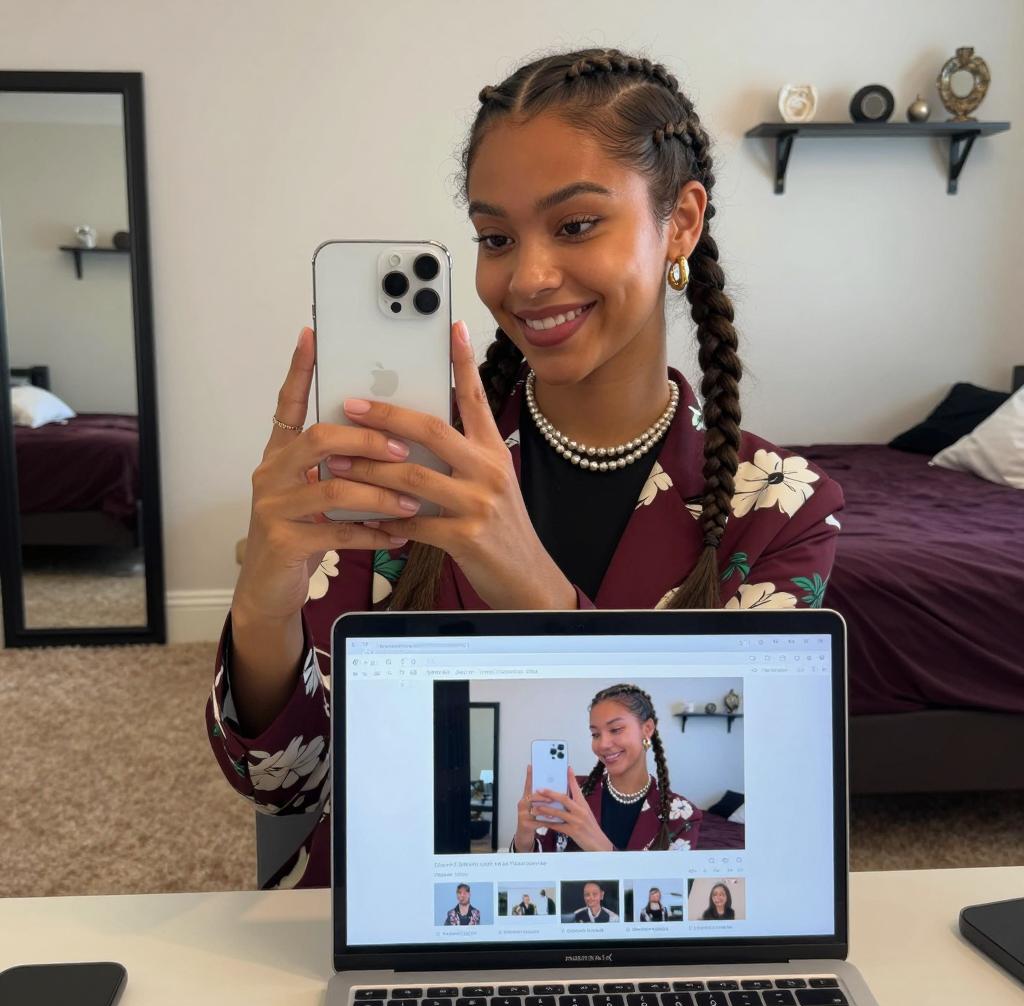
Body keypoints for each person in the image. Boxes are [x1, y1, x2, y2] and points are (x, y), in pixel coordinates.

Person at [207, 46, 843, 890]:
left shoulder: (780, 507)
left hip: (648, 938)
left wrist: (528, 583)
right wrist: (262, 604)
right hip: (392, 918)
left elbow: (740, 838)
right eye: (496, 238)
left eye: (576, 225)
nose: (528, 278)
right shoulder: (405, 466)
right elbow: (286, 783)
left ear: (681, 222)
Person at [513, 683, 703, 853]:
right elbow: (537, 869)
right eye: (595, 734)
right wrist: (523, 840)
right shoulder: (570, 794)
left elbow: (667, 882)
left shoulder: (682, 815)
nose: (602, 744)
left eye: (616, 730)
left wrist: (602, 848)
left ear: (647, 729)